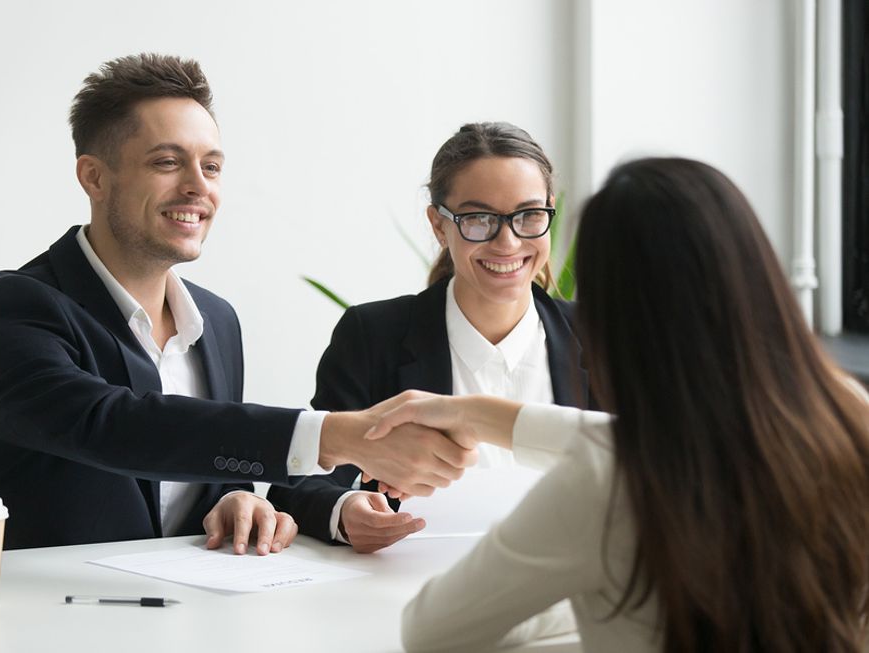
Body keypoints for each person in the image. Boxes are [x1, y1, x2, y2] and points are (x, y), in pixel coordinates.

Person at [0, 53, 476, 552]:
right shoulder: (15, 309)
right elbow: (112, 424)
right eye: (166, 162)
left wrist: (233, 499)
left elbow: (196, 453)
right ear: (93, 176)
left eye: (212, 166)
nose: (197, 187)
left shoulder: (216, 321)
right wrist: (334, 435)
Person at [366, 157, 869, 652]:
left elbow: (432, 629)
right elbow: (650, 443)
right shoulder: (848, 413)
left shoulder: (602, 483)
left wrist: (580, 591)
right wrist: (480, 415)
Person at [270, 121, 589, 561]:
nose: (508, 241)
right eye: (478, 218)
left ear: (548, 212)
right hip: (416, 591)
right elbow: (302, 477)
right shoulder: (374, 334)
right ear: (439, 226)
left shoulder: (604, 341)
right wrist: (344, 511)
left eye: (529, 216)